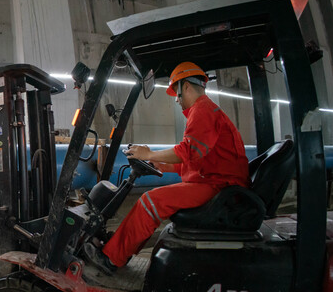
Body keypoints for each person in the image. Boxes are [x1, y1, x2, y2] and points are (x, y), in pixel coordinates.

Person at [83, 62, 250, 275]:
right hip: (216, 183)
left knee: (150, 201)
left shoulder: (203, 110)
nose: (177, 100)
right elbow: (193, 162)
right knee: (150, 201)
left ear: (186, 86)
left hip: (220, 188)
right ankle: (119, 248)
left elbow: (188, 151)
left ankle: (111, 259)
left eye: (177, 94)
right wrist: (158, 164)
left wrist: (149, 154)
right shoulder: (204, 111)